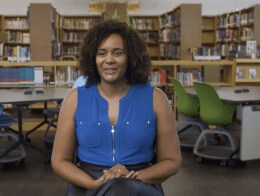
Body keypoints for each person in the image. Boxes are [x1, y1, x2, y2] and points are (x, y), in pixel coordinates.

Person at [52, 20, 181, 195]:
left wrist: (131, 177)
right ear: (93, 58)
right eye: (101, 53)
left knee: (120, 189)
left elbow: (171, 160)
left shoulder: (156, 99)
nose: (109, 60)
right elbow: (60, 161)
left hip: (140, 182)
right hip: (86, 183)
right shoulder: (74, 99)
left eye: (118, 53)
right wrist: (93, 184)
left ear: (131, 57)